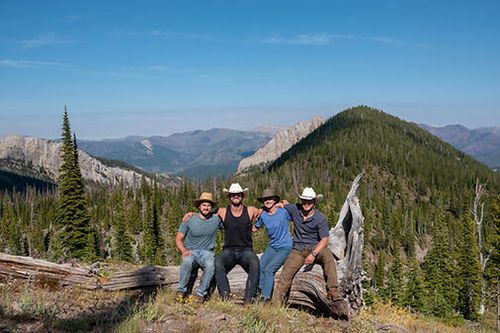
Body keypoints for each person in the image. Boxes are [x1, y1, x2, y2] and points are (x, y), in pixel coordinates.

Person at [272, 187, 347, 314]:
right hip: (298, 250)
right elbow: (284, 204)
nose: (306, 204)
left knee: (328, 255)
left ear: (314, 202)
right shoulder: (295, 209)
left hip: (314, 248)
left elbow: (325, 239)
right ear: (301, 201)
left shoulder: (319, 218)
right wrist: (277, 205)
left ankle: (333, 289)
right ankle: (276, 306)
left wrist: (313, 254)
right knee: (285, 276)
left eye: (309, 202)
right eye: (304, 201)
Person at [182, 183, 261, 303]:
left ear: (242, 196)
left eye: (238, 194)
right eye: (233, 195)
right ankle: (226, 298)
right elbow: (205, 213)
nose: (236, 196)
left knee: (255, 264)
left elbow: (264, 211)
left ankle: (249, 299)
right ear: (229, 197)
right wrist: (192, 214)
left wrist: (282, 204)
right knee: (217, 263)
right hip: (228, 250)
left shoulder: (251, 210)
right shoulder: (222, 211)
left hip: (246, 250)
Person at [176, 192, 221, 303]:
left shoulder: (216, 219)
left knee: (210, 265)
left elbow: (230, 213)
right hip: (191, 251)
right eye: (204, 205)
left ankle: (200, 294)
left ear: (211, 207)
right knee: (186, 261)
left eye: (209, 205)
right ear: (199, 206)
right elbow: (178, 238)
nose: (206, 207)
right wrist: (183, 250)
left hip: (207, 252)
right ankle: (181, 291)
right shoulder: (190, 219)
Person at [252, 188, 292, 302]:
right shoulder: (263, 214)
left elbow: (290, 206)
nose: (267, 201)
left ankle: (265, 297)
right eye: (265, 199)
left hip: (285, 246)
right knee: (261, 265)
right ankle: (260, 290)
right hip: (273, 246)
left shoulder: (283, 212)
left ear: (274, 200)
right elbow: (255, 228)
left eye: (270, 199)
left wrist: (282, 203)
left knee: (269, 269)